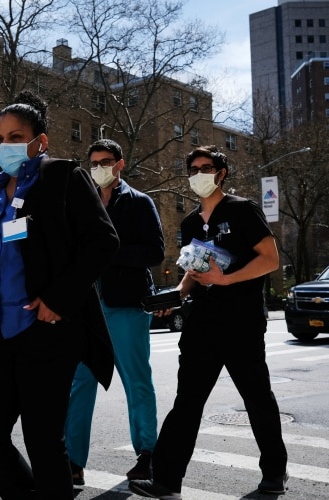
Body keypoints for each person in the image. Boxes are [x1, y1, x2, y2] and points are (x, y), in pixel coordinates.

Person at [0, 90, 120, 500]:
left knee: (44, 442)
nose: (4, 146)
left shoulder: (63, 177)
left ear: (40, 141)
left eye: (16, 136)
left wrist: (58, 299)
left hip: (46, 330)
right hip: (0, 334)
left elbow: (103, 242)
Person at [129, 145, 288, 499]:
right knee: (187, 401)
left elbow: (270, 259)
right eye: (194, 169)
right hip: (200, 324)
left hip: (241, 323)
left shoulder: (243, 210)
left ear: (221, 172)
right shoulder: (189, 223)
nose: (199, 174)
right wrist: (176, 296)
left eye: (207, 167)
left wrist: (228, 280)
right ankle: (166, 481)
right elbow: (194, 271)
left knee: (257, 397)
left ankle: (274, 472)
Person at [65, 139, 164, 485]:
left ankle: (148, 456)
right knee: (80, 383)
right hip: (87, 307)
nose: (99, 168)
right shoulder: (82, 202)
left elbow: (155, 251)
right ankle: (73, 463)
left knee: (136, 382)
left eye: (105, 162)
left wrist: (109, 252)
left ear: (120, 164)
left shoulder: (140, 203)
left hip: (127, 306)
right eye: (93, 163)